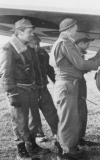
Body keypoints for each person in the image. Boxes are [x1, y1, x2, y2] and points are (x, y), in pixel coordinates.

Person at [49, 18, 100, 159]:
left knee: (68, 119)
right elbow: (81, 64)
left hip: (66, 84)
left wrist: (97, 58)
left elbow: (74, 66)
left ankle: (67, 148)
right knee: (68, 120)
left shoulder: (60, 43)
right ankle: (68, 153)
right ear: (68, 29)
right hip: (67, 85)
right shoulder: (66, 44)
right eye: (75, 29)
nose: (76, 31)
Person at [0, 18, 50, 160]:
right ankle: (21, 151)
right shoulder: (8, 48)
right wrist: (12, 93)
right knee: (20, 121)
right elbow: (5, 72)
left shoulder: (26, 47)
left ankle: (32, 146)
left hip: (30, 89)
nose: (31, 34)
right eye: (29, 31)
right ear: (20, 32)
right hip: (19, 90)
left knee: (31, 119)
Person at [27, 34, 58, 140]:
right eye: (34, 44)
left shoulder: (43, 53)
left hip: (43, 88)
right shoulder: (24, 54)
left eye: (38, 44)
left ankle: (57, 132)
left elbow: (50, 69)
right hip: (31, 90)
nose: (37, 46)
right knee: (33, 115)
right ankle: (38, 134)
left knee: (51, 111)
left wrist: (56, 82)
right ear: (27, 44)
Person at [74, 32, 100, 147]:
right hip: (75, 84)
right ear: (80, 43)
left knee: (82, 111)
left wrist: (98, 57)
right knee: (77, 112)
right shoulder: (74, 54)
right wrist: (99, 59)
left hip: (79, 83)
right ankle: (74, 141)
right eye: (87, 43)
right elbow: (83, 67)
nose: (89, 45)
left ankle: (79, 138)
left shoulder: (78, 53)